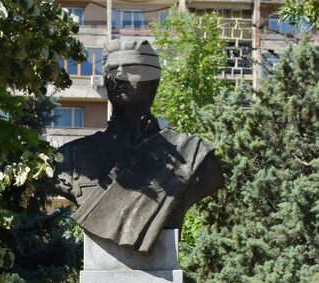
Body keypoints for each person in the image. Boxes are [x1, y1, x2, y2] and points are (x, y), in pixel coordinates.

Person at [54, 38, 224, 254]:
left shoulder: (193, 154)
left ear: (153, 82)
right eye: (112, 70)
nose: (119, 77)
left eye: (132, 69)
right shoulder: (70, 159)